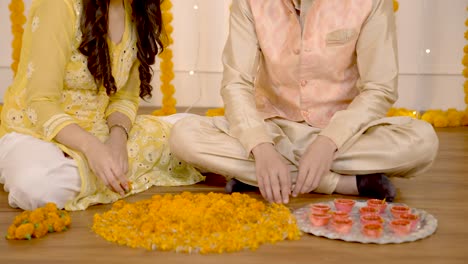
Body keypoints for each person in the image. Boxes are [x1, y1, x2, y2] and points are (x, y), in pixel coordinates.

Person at [169, 0, 439, 204]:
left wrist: (328, 142)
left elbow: (379, 88)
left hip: (343, 137)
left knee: (423, 141)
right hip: (274, 130)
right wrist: (261, 148)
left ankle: (260, 177)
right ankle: (348, 183)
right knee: (184, 135)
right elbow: (235, 83)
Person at [0, 0, 204, 211]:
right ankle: (106, 171)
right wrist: (92, 149)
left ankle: (103, 170)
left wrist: (117, 140)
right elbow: (41, 102)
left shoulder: (134, 11)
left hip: (99, 129)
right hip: (36, 132)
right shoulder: (59, 5)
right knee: (36, 186)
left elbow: (124, 97)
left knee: (193, 133)